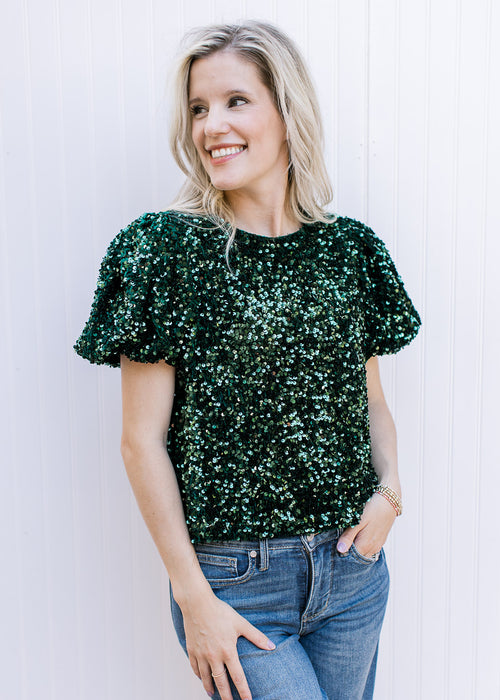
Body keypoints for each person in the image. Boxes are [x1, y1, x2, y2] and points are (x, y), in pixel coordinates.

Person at [74, 19, 421, 700]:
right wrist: (192, 597)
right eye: (199, 108)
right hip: (236, 585)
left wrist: (390, 493)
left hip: (353, 573)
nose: (211, 126)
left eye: (236, 101)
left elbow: (371, 400)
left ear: (288, 114)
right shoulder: (164, 251)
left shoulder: (351, 251)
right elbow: (141, 443)